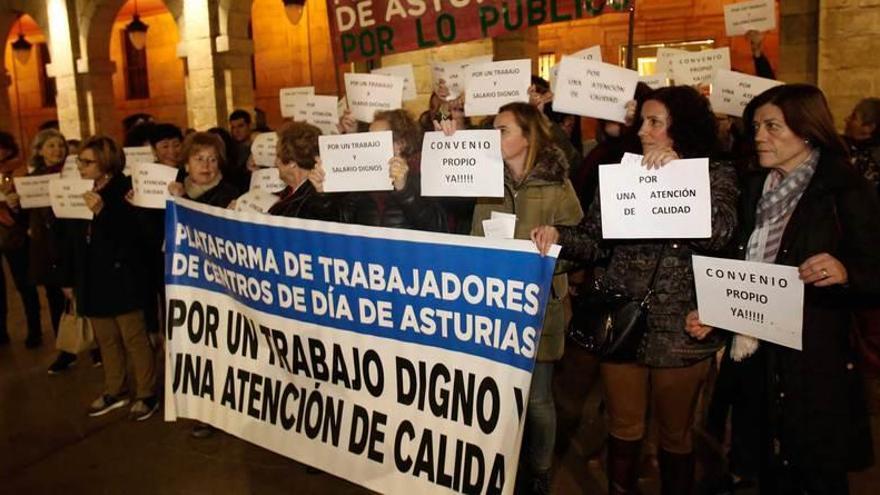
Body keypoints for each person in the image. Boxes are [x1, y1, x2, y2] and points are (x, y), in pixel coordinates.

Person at [532, 85, 739, 495]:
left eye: (655, 122)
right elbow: (595, 240)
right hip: (621, 322)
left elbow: (721, 236)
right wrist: (559, 237)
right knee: (623, 428)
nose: (642, 130)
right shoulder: (625, 172)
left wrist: (681, 179)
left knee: (675, 437)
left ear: (682, 128)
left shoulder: (715, 173)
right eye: (642, 120)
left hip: (681, 330)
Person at [693, 84, 880, 494]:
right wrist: (714, 309)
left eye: (773, 126)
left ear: (807, 130)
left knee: (811, 466)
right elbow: (737, 260)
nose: (759, 136)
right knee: (762, 459)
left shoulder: (844, 190)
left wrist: (845, 271)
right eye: (757, 125)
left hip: (814, 356)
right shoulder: (754, 186)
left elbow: (874, 267)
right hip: (755, 350)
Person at [470, 102, 583, 494]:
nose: (494, 137)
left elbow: (581, 244)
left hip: (540, 308)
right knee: (500, 395)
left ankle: (539, 470)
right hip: (495, 309)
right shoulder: (483, 180)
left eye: (502, 130)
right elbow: (474, 241)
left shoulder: (557, 184)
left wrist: (556, 245)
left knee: (537, 399)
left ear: (527, 136)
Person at [62, 135, 158, 421]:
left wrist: (103, 213)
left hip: (124, 277)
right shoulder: (77, 190)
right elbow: (71, 239)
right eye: (79, 160)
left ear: (105, 163)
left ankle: (146, 393)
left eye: (87, 162)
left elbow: (136, 238)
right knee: (107, 340)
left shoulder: (127, 189)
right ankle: (115, 389)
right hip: (92, 278)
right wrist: (70, 279)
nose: (80, 166)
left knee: (134, 339)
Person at [5, 130, 70, 360]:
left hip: (70, 243)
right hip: (47, 247)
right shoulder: (32, 179)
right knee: (54, 299)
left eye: (60, 145)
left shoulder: (73, 173)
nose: (57, 150)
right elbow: (24, 217)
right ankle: (65, 349)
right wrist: (15, 204)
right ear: (40, 150)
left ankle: (94, 349)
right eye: (51, 146)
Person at [326, 109, 448, 231]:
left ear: (400, 144)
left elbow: (437, 228)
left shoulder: (423, 177)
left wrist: (404, 191)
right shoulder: (362, 180)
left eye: (376, 140)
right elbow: (340, 226)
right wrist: (324, 196)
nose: (367, 145)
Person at [0, 132, 41, 348]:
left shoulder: (19, 170)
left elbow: (28, 200)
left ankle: (34, 330)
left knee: (25, 284)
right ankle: (1, 331)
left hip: (15, 233)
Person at [267, 122, 341, 221]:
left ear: (292, 163)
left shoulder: (314, 203)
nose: (275, 163)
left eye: (278, 156)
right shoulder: (292, 192)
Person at [168, 132, 240, 207]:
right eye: (199, 159)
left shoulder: (229, 194)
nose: (205, 165)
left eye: (212, 160)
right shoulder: (177, 186)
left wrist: (182, 199)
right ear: (187, 165)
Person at [843, 97, 880, 188]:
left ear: (869, 127)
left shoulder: (873, 160)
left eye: (853, 117)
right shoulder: (842, 146)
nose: (846, 119)